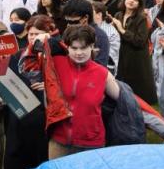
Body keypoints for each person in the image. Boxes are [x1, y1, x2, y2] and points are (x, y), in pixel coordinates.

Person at [42, 25, 120, 159]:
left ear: (92, 46)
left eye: (83, 48)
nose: (79, 53)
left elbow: (124, 100)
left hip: (91, 143)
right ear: (67, 47)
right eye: (74, 48)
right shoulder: (56, 64)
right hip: (59, 141)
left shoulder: (102, 73)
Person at [4, 15, 56, 169]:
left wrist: (48, 86)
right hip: (20, 116)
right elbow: (5, 82)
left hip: (43, 118)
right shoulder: (17, 56)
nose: (33, 37)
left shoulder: (54, 56)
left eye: (37, 33)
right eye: (31, 33)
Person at [112, 0, 158, 104]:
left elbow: (140, 41)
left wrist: (122, 30)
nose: (131, 1)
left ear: (139, 4)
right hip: (122, 55)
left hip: (137, 57)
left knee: (139, 90)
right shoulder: (118, 15)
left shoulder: (141, 18)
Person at [62, 0, 109, 67]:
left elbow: (100, 65)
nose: (68, 25)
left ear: (85, 18)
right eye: (67, 21)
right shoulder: (69, 31)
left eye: (73, 22)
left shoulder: (99, 36)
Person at [91, 1, 120, 75]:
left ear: (99, 14)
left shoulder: (110, 31)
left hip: (106, 68)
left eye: (90, 12)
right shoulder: (88, 28)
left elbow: (110, 57)